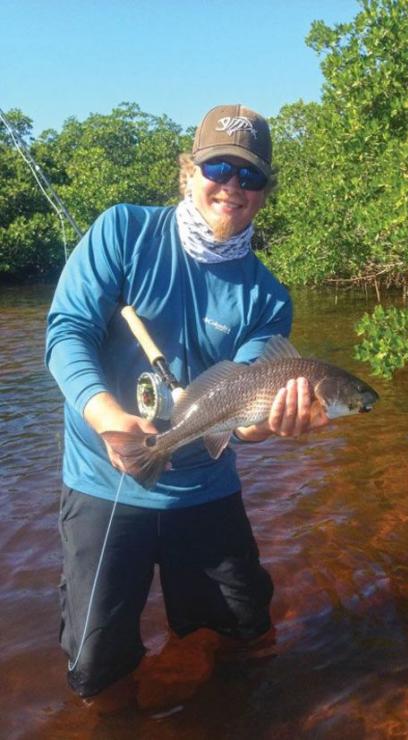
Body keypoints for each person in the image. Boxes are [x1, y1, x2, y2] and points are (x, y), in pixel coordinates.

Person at [46, 104, 329, 698]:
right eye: (219, 168)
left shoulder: (268, 297)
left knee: (243, 639)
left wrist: (270, 425)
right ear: (186, 172)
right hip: (106, 478)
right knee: (97, 669)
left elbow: (247, 412)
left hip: (206, 484)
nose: (232, 187)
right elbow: (65, 331)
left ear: (265, 192)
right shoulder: (123, 231)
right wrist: (106, 418)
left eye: (250, 177)